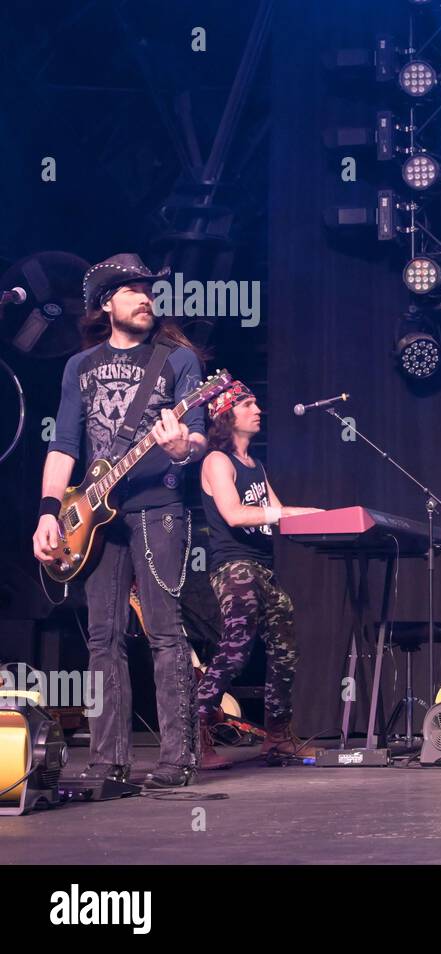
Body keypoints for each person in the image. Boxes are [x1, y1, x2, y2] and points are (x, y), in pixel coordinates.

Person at [32, 253, 207, 788]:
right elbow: (64, 445)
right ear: (107, 303)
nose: (145, 298)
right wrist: (47, 513)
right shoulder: (78, 367)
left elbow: (196, 437)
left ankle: (178, 759)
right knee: (102, 638)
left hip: (159, 508)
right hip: (93, 517)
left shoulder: (178, 360)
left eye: (149, 291)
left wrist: (180, 446)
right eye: (133, 291)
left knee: (164, 632)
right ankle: (108, 760)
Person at [195, 383, 323, 770]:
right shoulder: (218, 460)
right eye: (248, 404)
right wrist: (290, 514)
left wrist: (321, 517)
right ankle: (193, 730)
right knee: (236, 650)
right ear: (226, 414)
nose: (258, 409)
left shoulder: (256, 466)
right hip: (234, 567)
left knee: (285, 652)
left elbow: (279, 512)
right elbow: (235, 515)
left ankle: (277, 738)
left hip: (263, 570)